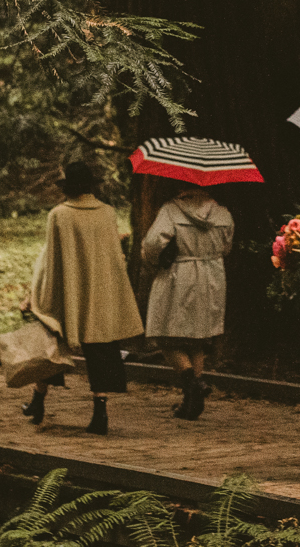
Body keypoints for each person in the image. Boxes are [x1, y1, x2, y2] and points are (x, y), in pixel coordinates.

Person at [24, 161, 145, 435]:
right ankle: (100, 412)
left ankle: (38, 401)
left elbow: (51, 258)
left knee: (51, 343)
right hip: (101, 290)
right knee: (101, 349)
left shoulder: (59, 215)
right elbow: (115, 255)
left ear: (68, 187)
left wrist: (36, 293)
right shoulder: (108, 213)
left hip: (68, 289)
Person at [140, 177, 233, 420]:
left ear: (180, 185)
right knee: (198, 339)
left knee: (164, 335)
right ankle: (192, 399)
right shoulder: (223, 213)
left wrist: (153, 262)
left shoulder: (171, 210)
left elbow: (152, 244)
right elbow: (227, 247)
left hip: (178, 274)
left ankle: (193, 384)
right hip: (212, 277)